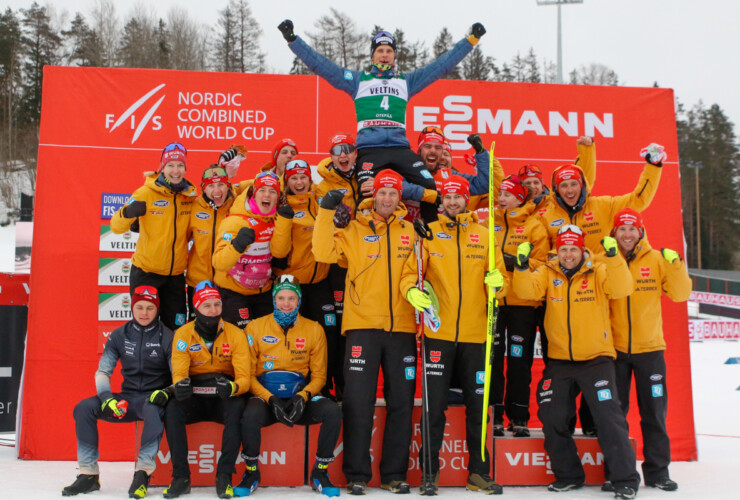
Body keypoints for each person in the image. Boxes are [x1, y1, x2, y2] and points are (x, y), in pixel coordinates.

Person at [278, 20, 486, 221]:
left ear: (394, 55)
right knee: (367, 191)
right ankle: (364, 240)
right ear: (373, 55)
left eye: (389, 51)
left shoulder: (406, 82)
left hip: (399, 148)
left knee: (429, 184)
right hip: (370, 150)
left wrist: (471, 40)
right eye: (380, 51)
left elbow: (441, 66)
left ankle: (430, 234)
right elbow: (321, 66)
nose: (385, 55)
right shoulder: (359, 81)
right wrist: (293, 40)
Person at [513, 226, 641, 499]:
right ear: (556, 251)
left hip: (597, 359)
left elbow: (623, 287)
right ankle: (569, 475)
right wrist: (522, 267)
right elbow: (526, 291)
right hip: (560, 361)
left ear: (583, 250)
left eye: (573, 249)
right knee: (551, 415)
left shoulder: (599, 270)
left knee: (609, 418)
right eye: (563, 249)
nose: (568, 255)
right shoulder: (549, 271)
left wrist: (614, 257)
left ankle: (625, 480)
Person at [399, 175, 507, 494]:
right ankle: (429, 473)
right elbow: (410, 274)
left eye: (458, 197)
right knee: (434, 408)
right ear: (442, 201)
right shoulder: (429, 234)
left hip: (475, 334)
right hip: (438, 333)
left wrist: (498, 284)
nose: (453, 202)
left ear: (466, 200)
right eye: (448, 198)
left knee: (478, 407)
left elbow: (500, 285)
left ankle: (478, 473)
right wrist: (411, 292)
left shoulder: (484, 235)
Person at [312, 169, 417, 495]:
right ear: (374, 197)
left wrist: (413, 290)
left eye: (393, 193)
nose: (387, 199)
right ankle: (357, 474)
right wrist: (327, 213)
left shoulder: (410, 231)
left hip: (401, 328)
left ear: (400, 197)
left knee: (401, 403)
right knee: (358, 402)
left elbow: (414, 270)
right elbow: (322, 253)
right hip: (361, 328)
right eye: (383, 193)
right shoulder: (355, 229)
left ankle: (394, 475)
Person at [604, 208, 691, 493]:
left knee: (654, 412)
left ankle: (657, 472)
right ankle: (615, 473)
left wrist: (677, 264)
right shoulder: (605, 259)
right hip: (614, 352)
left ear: (640, 232)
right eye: (621, 229)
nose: (627, 235)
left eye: (632, 229)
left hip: (650, 350)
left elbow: (680, 294)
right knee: (615, 415)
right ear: (614, 233)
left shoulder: (655, 260)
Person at [62, 286, 173, 498]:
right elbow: (103, 372)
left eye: (150, 308)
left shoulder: (167, 336)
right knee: (84, 408)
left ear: (156, 310)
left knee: (152, 409)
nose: (144, 313)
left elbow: (179, 377)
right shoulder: (119, 335)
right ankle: (88, 475)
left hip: (151, 399)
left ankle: (142, 473)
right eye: (139, 307)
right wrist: (107, 399)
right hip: (126, 398)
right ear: (132, 307)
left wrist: (166, 392)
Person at [237, 275, 342, 498]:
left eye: (292, 298)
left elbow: (320, 377)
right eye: (282, 298)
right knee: (249, 413)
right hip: (266, 400)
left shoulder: (314, 329)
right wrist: (270, 398)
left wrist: (303, 397)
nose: (286, 303)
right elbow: (247, 375)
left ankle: (320, 472)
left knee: (332, 411)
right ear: (274, 300)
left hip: (298, 400)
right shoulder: (255, 327)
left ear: (299, 300)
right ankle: (251, 473)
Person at [163, 282, 251, 499]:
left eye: (217, 304)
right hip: (195, 397)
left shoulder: (236, 333)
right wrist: (181, 385)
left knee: (238, 406)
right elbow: (179, 372)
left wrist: (233, 387)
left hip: (223, 396)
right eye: (207, 306)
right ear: (196, 309)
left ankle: (224, 476)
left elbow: (244, 379)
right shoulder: (183, 334)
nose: (213, 311)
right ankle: (181, 477)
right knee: (172, 408)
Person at [270, 158, 342, 399]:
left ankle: (325, 387)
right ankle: (295, 387)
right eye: (294, 178)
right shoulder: (281, 205)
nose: (299, 182)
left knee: (328, 334)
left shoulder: (319, 200)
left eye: (303, 177)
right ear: (286, 181)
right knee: (295, 337)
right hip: (293, 284)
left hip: (321, 281)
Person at [111, 142, 197, 330]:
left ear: (185, 168)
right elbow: (116, 227)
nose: (176, 170)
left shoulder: (189, 197)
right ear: (162, 167)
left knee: (176, 329)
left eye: (180, 165)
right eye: (171, 165)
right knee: (144, 328)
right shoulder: (145, 193)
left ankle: (172, 361)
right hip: (146, 273)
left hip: (175, 277)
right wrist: (127, 213)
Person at [490, 175, 549, 438]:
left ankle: (520, 417)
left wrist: (515, 262)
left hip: (523, 305)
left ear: (520, 198)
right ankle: (495, 416)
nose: (502, 198)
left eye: (508, 194)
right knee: (491, 361)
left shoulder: (534, 225)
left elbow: (543, 263)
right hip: (494, 302)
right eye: (500, 193)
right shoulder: (488, 223)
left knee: (518, 362)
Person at [539, 142, 664, 253]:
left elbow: (638, 201)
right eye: (564, 186)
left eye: (574, 184)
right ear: (556, 190)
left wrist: (653, 167)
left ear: (582, 186)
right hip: (561, 278)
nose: (570, 190)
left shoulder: (604, 206)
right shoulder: (545, 216)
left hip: (599, 276)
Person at [212, 171, 280, 329]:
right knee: (239, 343)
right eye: (262, 190)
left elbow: (280, 252)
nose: (267, 195)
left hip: (263, 292)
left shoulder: (276, 220)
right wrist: (237, 246)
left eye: (272, 191)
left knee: (264, 341)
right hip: (234, 293)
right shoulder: (235, 221)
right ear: (253, 195)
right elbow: (219, 262)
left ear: (278, 197)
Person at [186, 164, 237, 319]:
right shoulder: (194, 207)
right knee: (199, 333)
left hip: (229, 284)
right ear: (204, 189)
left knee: (227, 333)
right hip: (198, 282)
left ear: (228, 186)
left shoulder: (237, 206)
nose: (217, 191)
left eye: (221, 185)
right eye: (211, 186)